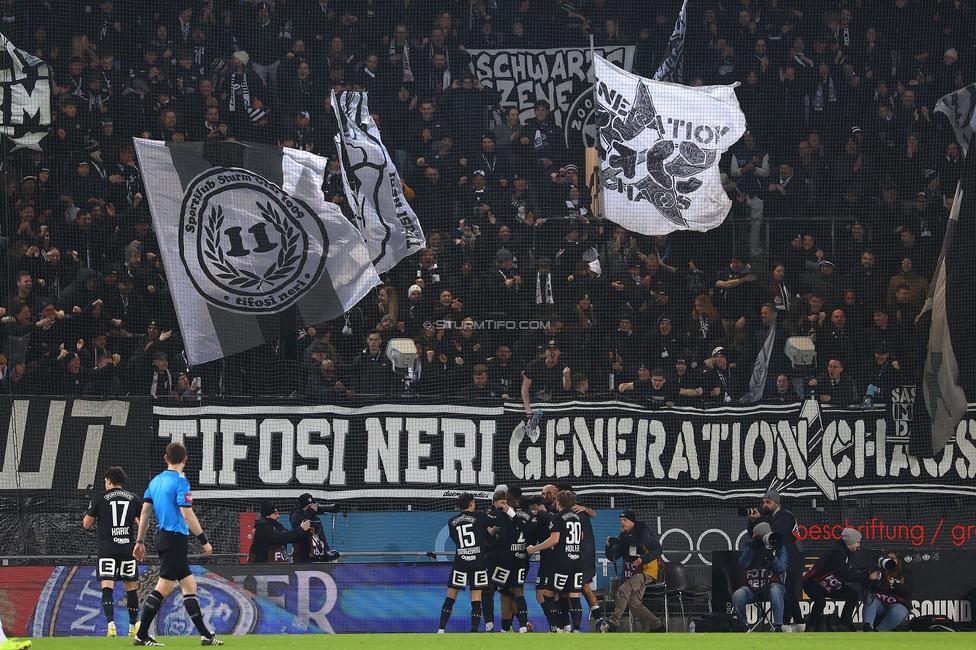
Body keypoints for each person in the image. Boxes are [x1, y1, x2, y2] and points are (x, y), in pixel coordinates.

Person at [131, 441, 223, 646]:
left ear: (165, 459)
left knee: (189, 586)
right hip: (175, 539)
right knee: (164, 587)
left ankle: (206, 636)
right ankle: (141, 634)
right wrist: (204, 541)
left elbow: (144, 513)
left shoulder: (156, 481)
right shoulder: (181, 481)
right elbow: (187, 514)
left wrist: (140, 541)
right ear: (185, 459)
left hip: (161, 537)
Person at [83, 466, 141, 638]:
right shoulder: (134, 498)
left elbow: (86, 524)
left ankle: (111, 625)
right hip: (127, 548)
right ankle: (133, 626)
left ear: (108, 481)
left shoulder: (100, 498)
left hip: (107, 548)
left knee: (107, 588)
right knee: (131, 588)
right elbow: (143, 524)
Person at [527, 490, 586, 633]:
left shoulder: (557, 517)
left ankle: (556, 628)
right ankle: (576, 629)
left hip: (562, 562)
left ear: (558, 502)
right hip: (577, 561)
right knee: (574, 596)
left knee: (548, 595)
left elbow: (554, 539)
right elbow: (581, 536)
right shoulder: (577, 517)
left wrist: (534, 548)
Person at [747, 489, 804, 630]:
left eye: (768, 502)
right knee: (789, 591)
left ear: (777, 503)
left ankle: (785, 623)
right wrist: (752, 521)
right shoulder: (770, 516)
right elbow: (754, 533)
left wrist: (759, 520)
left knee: (786, 590)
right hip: (784, 558)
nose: (764, 505)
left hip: (791, 559)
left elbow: (772, 532)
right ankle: (799, 622)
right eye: (763, 502)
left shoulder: (786, 516)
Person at [439, 493, 496, 633]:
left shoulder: (452, 521)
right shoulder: (480, 517)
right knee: (476, 598)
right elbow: (496, 524)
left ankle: (441, 629)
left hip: (461, 562)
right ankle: (474, 631)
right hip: (478, 562)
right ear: (471, 503)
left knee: (451, 596)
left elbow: (455, 539)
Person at [604, 510, 665, 632]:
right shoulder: (623, 536)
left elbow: (658, 550)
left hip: (647, 570)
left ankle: (613, 623)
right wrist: (608, 547)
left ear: (632, 521)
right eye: (620, 520)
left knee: (622, 590)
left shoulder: (643, 533)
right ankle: (657, 626)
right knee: (634, 604)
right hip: (635, 572)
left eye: (625, 520)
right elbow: (614, 557)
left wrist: (643, 558)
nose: (622, 523)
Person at [802, 527, 866, 632]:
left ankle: (843, 626)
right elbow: (846, 575)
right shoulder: (838, 554)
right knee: (820, 601)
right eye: (857, 542)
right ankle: (810, 627)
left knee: (853, 595)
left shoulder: (846, 553)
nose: (859, 545)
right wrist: (866, 577)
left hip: (827, 584)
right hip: (812, 583)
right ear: (850, 542)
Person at [732, 522, 788, 632]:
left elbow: (782, 568)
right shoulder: (751, 547)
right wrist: (751, 548)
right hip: (752, 587)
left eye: (755, 534)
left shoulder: (780, 547)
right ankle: (744, 626)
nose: (753, 536)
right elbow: (742, 564)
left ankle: (778, 626)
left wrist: (773, 558)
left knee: (776, 591)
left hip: (773, 585)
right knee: (738, 595)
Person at [862, 550, 913, 631]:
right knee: (870, 599)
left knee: (898, 611)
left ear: (898, 561)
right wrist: (871, 578)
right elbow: (868, 588)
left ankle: (879, 631)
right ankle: (868, 627)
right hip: (880, 605)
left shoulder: (906, 573)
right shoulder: (880, 571)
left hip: (898, 605)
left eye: (892, 558)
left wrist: (895, 585)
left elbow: (908, 590)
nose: (889, 560)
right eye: (888, 558)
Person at [246, 501, 312, 563]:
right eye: (275, 514)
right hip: (262, 566)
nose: (278, 516)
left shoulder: (278, 526)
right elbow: (279, 537)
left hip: (277, 565)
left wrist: (306, 531)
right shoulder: (262, 527)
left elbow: (290, 537)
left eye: (278, 513)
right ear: (267, 516)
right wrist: (301, 529)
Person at [289, 494, 341, 563]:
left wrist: (326, 551)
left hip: (316, 555)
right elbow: (296, 524)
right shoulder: (296, 514)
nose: (312, 508)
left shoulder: (316, 519)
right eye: (309, 507)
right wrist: (310, 511)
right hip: (302, 557)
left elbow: (321, 537)